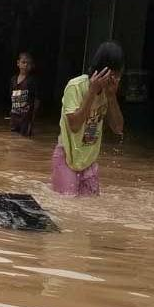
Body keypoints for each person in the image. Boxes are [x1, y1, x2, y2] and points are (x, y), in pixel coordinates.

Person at [50, 41, 125, 197]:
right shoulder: (75, 86)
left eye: (118, 75)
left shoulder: (109, 92)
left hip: (89, 159)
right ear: (103, 70)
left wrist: (111, 97)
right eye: (114, 74)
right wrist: (91, 93)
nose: (116, 79)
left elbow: (118, 128)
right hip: (67, 155)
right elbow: (75, 126)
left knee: (90, 205)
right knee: (67, 203)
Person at [9, 52, 40, 137]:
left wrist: (32, 119)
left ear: (32, 66)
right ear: (18, 63)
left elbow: (36, 100)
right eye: (23, 62)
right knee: (12, 137)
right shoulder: (13, 79)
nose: (25, 65)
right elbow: (11, 96)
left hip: (25, 117)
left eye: (28, 63)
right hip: (14, 115)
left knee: (23, 138)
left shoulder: (32, 81)